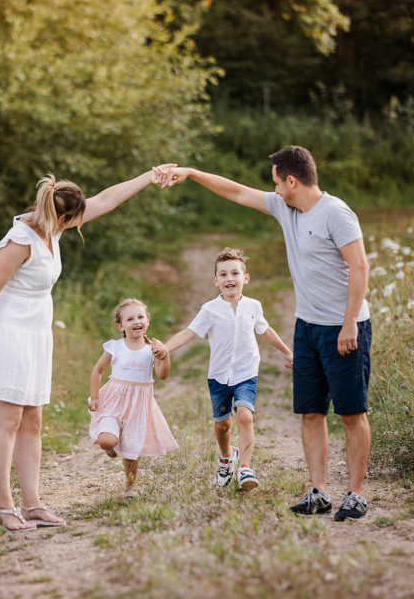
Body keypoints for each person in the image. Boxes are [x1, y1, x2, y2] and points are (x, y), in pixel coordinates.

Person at [160, 147, 372, 521]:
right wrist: (191, 173)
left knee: (351, 412)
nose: (272, 189)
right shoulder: (285, 208)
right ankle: (319, 491)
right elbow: (236, 192)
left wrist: (350, 322)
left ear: (292, 181)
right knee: (310, 412)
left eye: (276, 182)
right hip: (306, 327)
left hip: (344, 327)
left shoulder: (336, 214)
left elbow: (360, 267)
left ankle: (355, 493)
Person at [0, 167, 173, 533]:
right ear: (63, 217)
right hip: (9, 332)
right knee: (8, 420)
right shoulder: (20, 239)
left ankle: (33, 503)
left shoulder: (53, 226)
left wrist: (148, 178)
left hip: (36, 334)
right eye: (74, 221)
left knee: (33, 420)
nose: (77, 226)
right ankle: (4, 506)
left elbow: (107, 199)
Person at [164, 247, 293, 491]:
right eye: (223, 274)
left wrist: (287, 352)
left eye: (235, 273)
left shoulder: (253, 306)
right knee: (222, 425)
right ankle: (226, 458)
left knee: (245, 415)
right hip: (219, 377)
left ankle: (245, 468)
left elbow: (265, 330)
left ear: (245, 278)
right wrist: (165, 349)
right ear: (216, 281)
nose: (229, 278)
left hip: (246, 373)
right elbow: (189, 332)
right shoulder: (209, 310)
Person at [88, 298, 177, 499]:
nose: (136, 321)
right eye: (130, 319)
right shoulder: (115, 347)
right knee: (105, 440)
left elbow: (162, 375)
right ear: (121, 326)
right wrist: (95, 396)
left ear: (147, 320)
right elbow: (97, 371)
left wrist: (165, 354)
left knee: (131, 448)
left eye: (140, 317)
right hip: (113, 401)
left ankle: (130, 485)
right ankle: (110, 447)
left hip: (138, 405)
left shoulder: (152, 349)